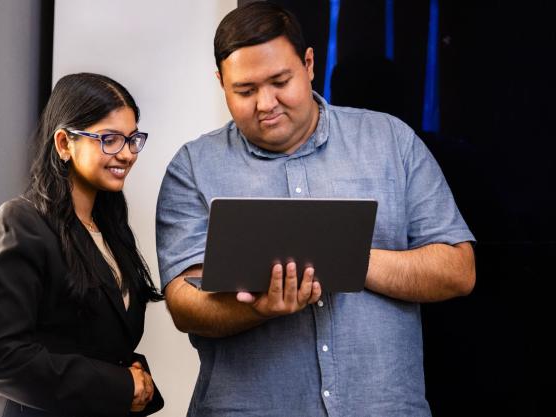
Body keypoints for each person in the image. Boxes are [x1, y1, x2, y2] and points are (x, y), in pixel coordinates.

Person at [155, 2, 476, 416]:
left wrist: (344, 258)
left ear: (308, 64)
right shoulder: (193, 167)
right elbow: (183, 301)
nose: (266, 103)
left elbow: (458, 269)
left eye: (279, 81)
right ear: (221, 83)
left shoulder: (390, 141)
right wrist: (255, 307)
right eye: (245, 91)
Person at [0, 73, 164, 417]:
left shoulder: (111, 232)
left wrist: (136, 381)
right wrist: (120, 385)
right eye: (110, 139)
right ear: (63, 144)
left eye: (133, 139)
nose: (127, 153)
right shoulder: (20, 223)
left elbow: (93, 340)